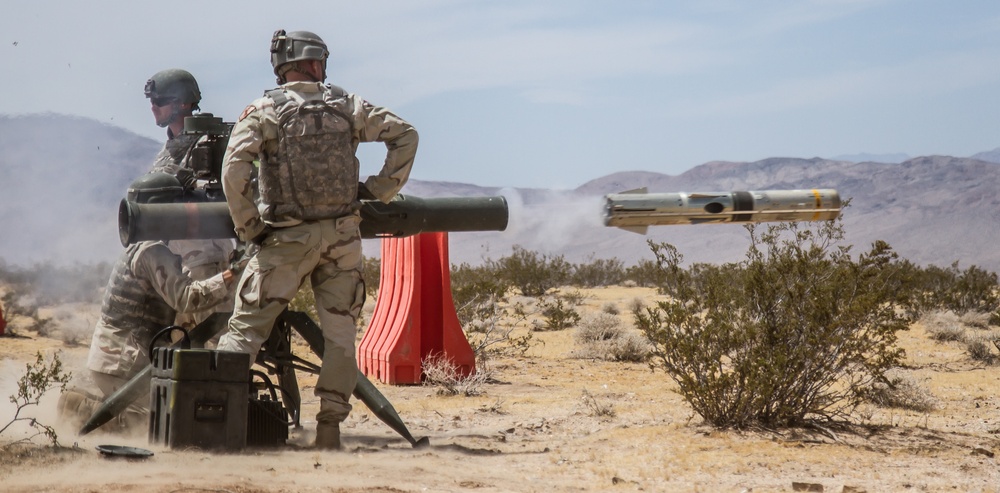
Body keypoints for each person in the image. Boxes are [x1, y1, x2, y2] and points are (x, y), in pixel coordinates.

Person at [215, 29, 418, 450]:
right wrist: (379, 190)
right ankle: (329, 430)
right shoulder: (349, 106)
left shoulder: (264, 110)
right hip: (343, 239)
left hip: (287, 240)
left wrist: (250, 227)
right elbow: (405, 135)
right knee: (341, 337)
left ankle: (216, 419)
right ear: (315, 63)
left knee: (246, 330)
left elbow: (234, 170)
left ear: (282, 66)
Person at [57, 174, 246, 432]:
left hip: (117, 361)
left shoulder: (142, 247)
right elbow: (187, 297)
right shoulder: (152, 252)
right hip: (124, 367)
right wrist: (231, 274)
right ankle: (81, 407)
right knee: (177, 421)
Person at [143, 68, 237, 332]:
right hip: (175, 262)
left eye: (159, 101)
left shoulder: (209, 143)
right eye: (151, 102)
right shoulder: (169, 148)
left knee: (216, 343)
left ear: (183, 103)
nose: (153, 108)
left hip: (205, 259)